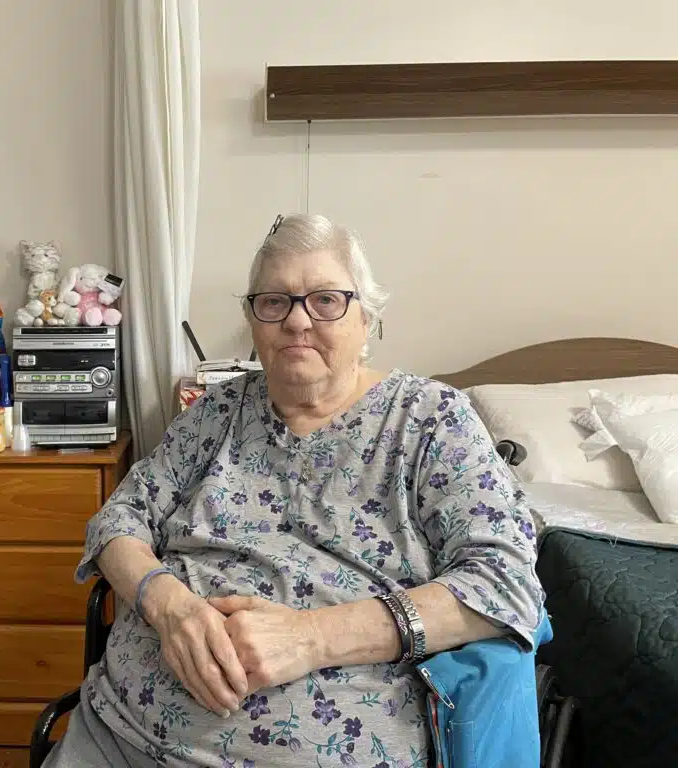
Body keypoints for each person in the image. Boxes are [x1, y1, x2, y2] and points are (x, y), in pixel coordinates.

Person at [44, 214, 543, 767]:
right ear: (253, 319)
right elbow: (119, 521)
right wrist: (169, 607)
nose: (297, 321)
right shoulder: (217, 412)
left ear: (367, 317)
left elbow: (505, 585)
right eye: (275, 302)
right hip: (119, 736)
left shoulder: (431, 421)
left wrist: (311, 637)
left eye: (325, 300)